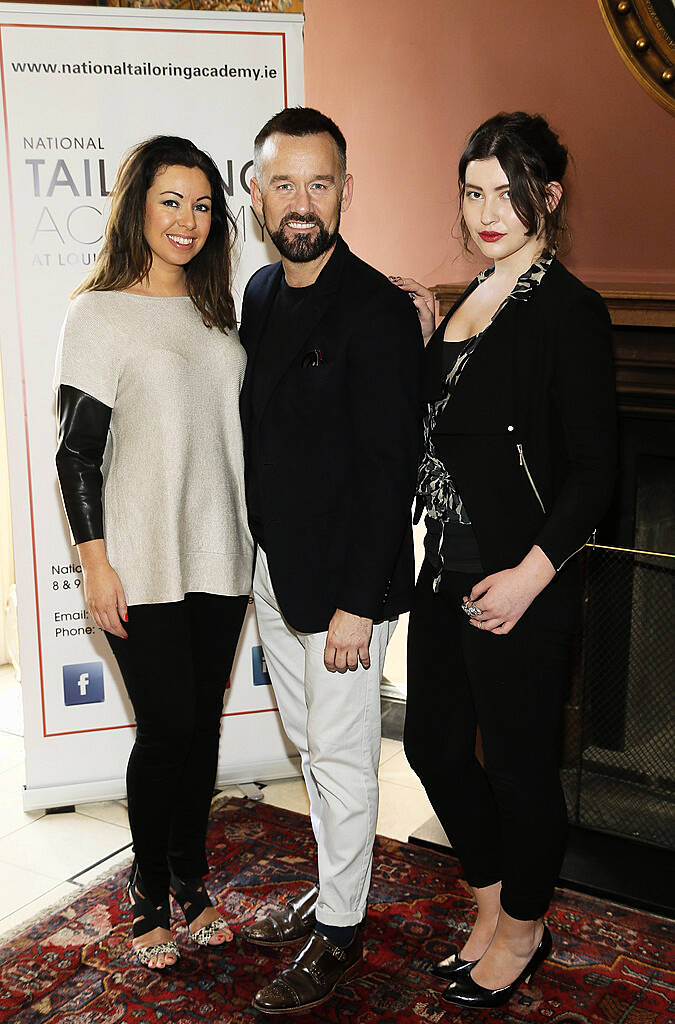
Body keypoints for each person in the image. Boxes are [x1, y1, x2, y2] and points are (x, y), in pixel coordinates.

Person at [394, 112, 617, 1008]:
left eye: (509, 193)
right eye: (473, 191)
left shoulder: (569, 311)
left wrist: (532, 574)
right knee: (433, 748)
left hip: (522, 580)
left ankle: (523, 927)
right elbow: (447, 434)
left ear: (548, 198)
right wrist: (419, 346)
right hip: (444, 567)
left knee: (520, 769)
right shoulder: (465, 299)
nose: (488, 211)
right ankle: (491, 904)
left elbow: (596, 470)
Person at [238, 106, 423, 1015]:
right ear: (255, 191)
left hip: (349, 585)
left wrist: (358, 605)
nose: (301, 203)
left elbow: (390, 472)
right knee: (310, 747)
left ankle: (341, 935)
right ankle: (332, 890)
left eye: (319, 183)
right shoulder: (261, 296)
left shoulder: (379, 311)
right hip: (279, 569)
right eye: (284, 183)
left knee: (344, 757)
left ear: (346, 192)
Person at [54, 136, 253, 969]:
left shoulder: (218, 313)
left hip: (222, 552)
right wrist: (95, 561)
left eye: (203, 204)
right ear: (137, 205)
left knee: (198, 727)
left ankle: (191, 879)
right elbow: (75, 453)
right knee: (165, 728)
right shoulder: (96, 313)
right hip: (139, 559)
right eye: (171, 201)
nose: (188, 220)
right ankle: (147, 893)